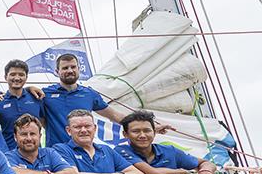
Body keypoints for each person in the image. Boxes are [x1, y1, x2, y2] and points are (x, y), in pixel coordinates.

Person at [42, 54, 171, 147]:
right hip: (56, 151)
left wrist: (152, 127)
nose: (70, 70)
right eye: (65, 68)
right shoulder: (45, 94)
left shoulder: (89, 93)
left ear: (78, 69)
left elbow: (115, 115)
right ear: (57, 71)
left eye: (73, 67)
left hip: (84, 150)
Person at [0, 60, 45, 151]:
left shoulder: (36, 97)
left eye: (21, 74)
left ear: (26, 77)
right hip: (8, 154)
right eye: (13, 74)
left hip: (35, 153)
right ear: (6, 77)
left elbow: (44, 122)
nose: (17, 78)